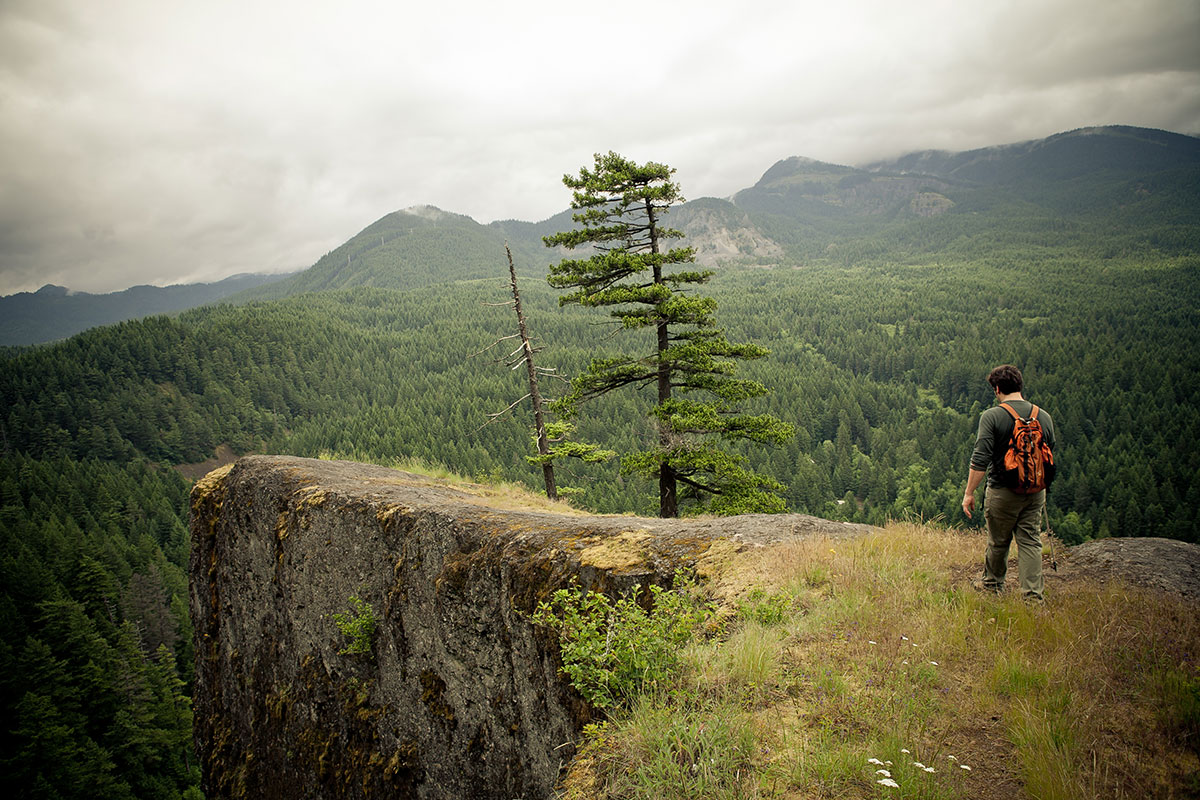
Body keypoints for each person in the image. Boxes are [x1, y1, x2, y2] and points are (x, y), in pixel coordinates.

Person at [962, 364, 1055, 602]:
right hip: (1034, 491)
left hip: (1002, 491)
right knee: (1031, 541)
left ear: (997, 389)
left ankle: (992, 585)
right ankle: (1033, 597)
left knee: (999, 540)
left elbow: (980, 458)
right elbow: (1049, 452)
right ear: (1020, 386)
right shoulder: (1043, 416)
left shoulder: (993, 416)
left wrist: (969, 492)